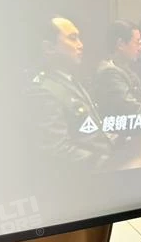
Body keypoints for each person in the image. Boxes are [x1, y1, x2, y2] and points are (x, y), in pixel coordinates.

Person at [27, 16, 112, 165]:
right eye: (73, 38)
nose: (81, 45)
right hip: (89, 175)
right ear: (49, 48)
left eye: (79, 38)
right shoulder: (42, 90)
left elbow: (90, 134)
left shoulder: (69, 79)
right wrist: (105, 163)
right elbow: (57, 149)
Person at [95, 20, 141, 116]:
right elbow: (133, 110)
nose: (140, 48)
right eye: (137, 42)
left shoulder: (125, 68)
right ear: (120, 44)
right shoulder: (109, 73)